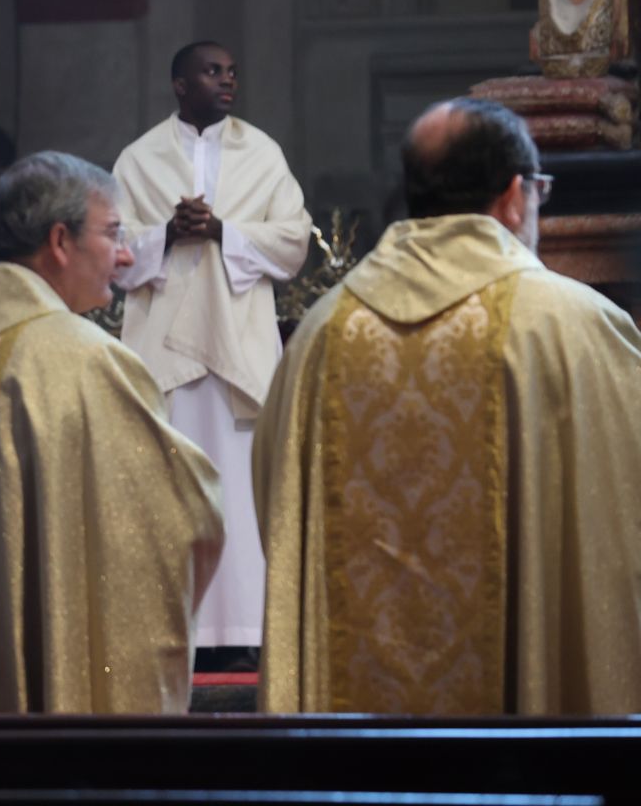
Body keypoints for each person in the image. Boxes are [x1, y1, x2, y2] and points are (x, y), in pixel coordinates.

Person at [255, 97, 641, 715]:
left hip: (354, 755)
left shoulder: (322, 336)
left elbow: (277, 501)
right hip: (530, 742)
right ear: (516, 196)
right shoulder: (571, 327)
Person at [0, 152, 224, 714]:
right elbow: (183, 520)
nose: (125, 255)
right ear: (59, 241)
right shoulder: (76, 360)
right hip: (29, 738)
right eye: (112, 233)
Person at [111, 41, 310, 665]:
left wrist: (222, 230)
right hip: (162, 350)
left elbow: (294, 240)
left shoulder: (264, 152)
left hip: (238, 346)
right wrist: (167, 233)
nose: (227, 80)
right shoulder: (139, 158)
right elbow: (114, 250)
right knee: (168, 486)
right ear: (178, 83)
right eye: (211, 71)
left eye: (231, 71)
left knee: (241, 489)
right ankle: (176, 631)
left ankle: (248, 634)